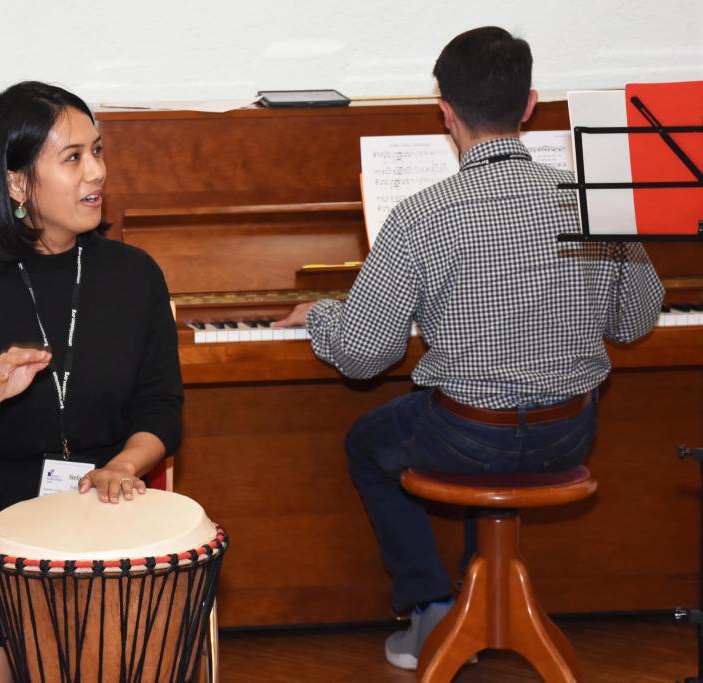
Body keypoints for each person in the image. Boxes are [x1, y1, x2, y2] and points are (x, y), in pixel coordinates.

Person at [275, 26, 663, 670]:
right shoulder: (590, 198)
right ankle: (471, 603)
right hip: (570, 432)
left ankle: (430, 605)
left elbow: (366, 357)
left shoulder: (422, 214)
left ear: (445, 112)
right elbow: (633, 321)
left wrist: (324, 316)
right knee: (460, 424)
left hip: (464, 435)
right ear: (531, 105)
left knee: (373, 440)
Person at [0, 81, 183, 682]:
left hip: (101, 501)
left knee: (113, 651)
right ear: (18, 183)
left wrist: (126, 466)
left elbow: (161, 411)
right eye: (73, 158)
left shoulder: (135, 277)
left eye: (97, 151)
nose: (97, 173)